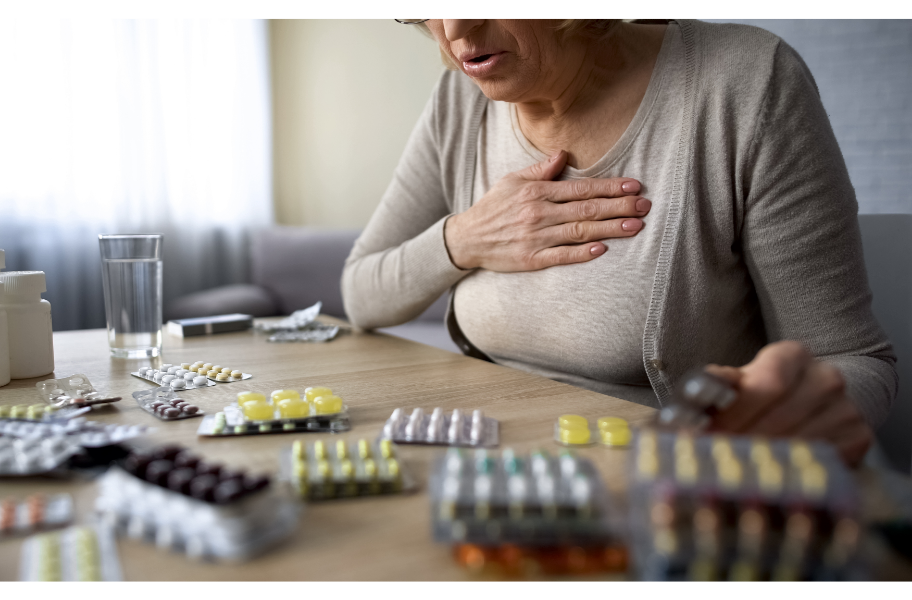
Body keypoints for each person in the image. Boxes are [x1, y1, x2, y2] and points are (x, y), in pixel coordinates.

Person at [341, 19, 896, 466]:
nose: (456, 27)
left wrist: (782, 415)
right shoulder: (458, 102)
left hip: (661, 478)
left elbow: (854, 360)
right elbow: (361, 293)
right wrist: (467, 237)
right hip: (484, 464)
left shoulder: (746, 82)